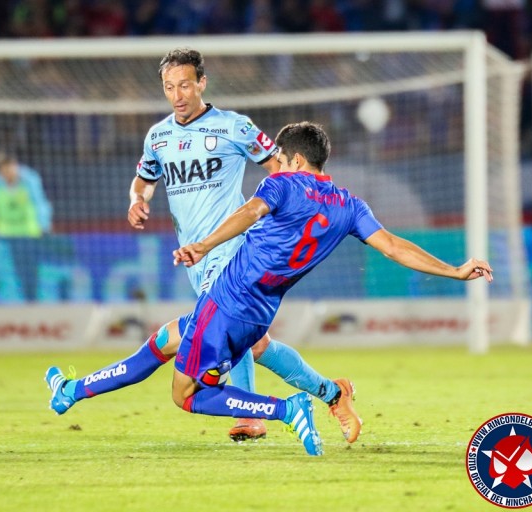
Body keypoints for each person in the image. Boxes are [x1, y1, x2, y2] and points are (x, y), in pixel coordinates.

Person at [45, 121, 494, 456]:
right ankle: (70, 392)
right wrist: (455, 271)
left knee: (186, 395)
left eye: (280, 157)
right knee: (164, 341)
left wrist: (203, 244)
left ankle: (286, 410)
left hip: (229, 299)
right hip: (260, 307)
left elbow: (251, 211)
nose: (275, 163)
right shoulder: (350, 206)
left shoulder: (282, 184)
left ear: (296, 160)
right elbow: (395, 247)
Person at [126, 47, 359, 443]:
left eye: (185, 84)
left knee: (234, 338)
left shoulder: (234, 127)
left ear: (202, 82)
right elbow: (145, 179)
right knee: (256, 343)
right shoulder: (158, 136)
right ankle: (333, 393)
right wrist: (137, 200)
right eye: (169, 87)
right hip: (194, 254)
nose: (178, 94)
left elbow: (279, 169)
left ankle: (252, 414)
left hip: (232, 249)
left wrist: (283, 213)